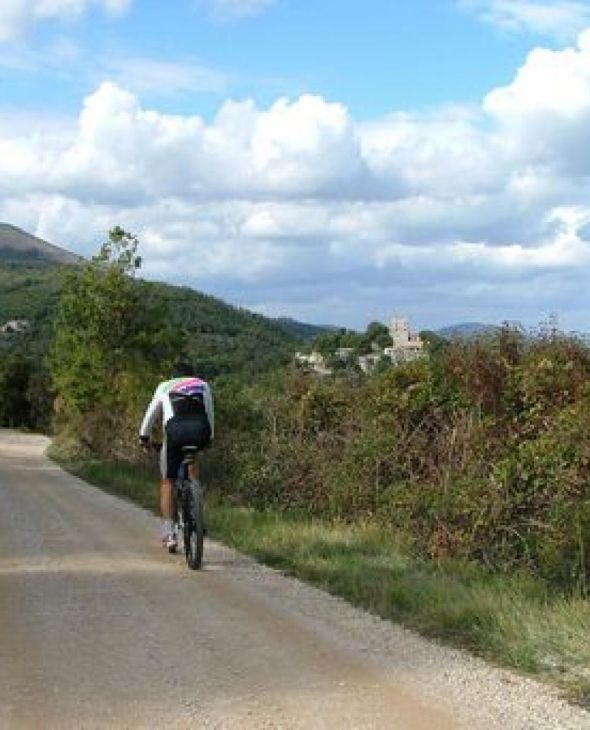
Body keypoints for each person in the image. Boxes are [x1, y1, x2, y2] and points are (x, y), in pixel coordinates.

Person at [139, 373, 214, 549]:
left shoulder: (165, 386)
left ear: (174, 376)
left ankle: (170, 531)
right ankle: (196, 511)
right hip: (199, 431)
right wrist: (210, 437)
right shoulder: (202, 384)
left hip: (175, 433)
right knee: (192, 463)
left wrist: (144, 437)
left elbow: (151, 415)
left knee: (168, 480)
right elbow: (209, 412)